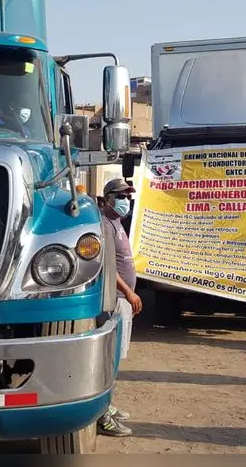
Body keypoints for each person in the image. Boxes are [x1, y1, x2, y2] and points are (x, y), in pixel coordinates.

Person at [96, 178, 143, 437]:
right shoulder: (105, 224)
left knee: (116, 358)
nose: (126, 200)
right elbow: (108, 266)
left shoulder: (117, 224)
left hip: (123, 299)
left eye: (128, 195)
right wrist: (128, 292)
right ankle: (102, 414)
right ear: (109, 198)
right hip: (116, 299)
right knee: (110, 358)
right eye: (121, 195)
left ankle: (107, 405)